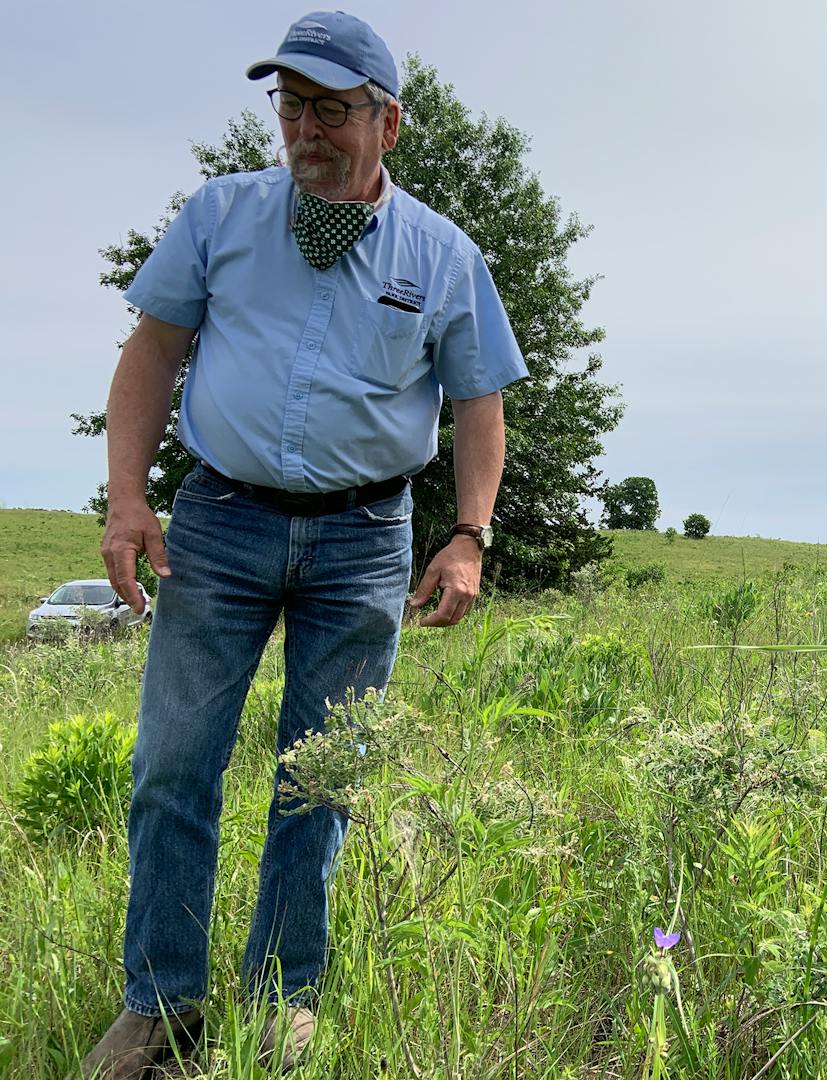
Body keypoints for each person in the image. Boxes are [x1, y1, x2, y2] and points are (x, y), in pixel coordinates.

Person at [80, 11, 527, 1078]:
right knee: (172, 769)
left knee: (319, 780)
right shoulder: (220, 216)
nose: (306, 129)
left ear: (390, 122)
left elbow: (479, 403)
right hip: (220, 525)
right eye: (290, 106)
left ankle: (285, 999)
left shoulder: (444, 256)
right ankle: (163, 1009)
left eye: (332, 108)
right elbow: (151, 355)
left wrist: (468, 533)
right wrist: (126, 500)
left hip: (366, 540)